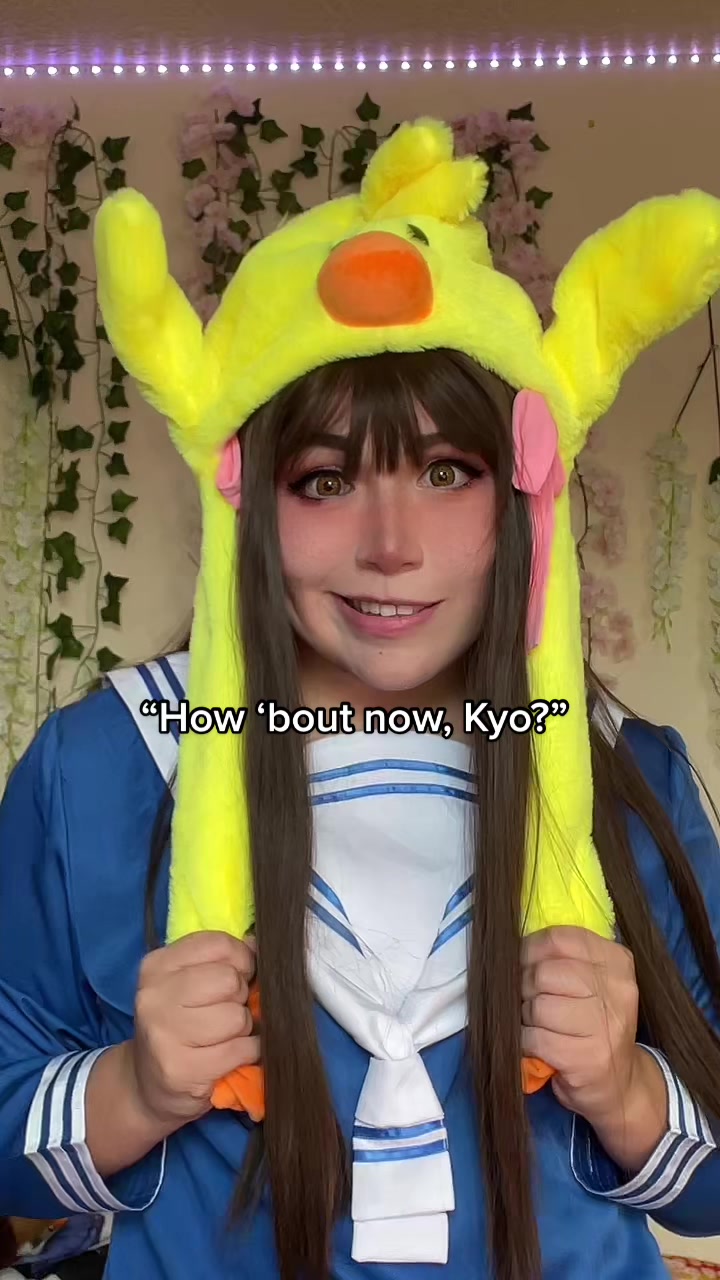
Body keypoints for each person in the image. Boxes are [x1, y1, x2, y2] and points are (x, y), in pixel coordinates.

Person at [1, 116, 720, 1280]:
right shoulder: (108, 766)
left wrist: (629, 1088)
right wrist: (133, 1088)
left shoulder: (627, 775)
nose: (393, 544)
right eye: (326, 478)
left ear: (525, 484)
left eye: (446, 470)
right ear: (244, 492)